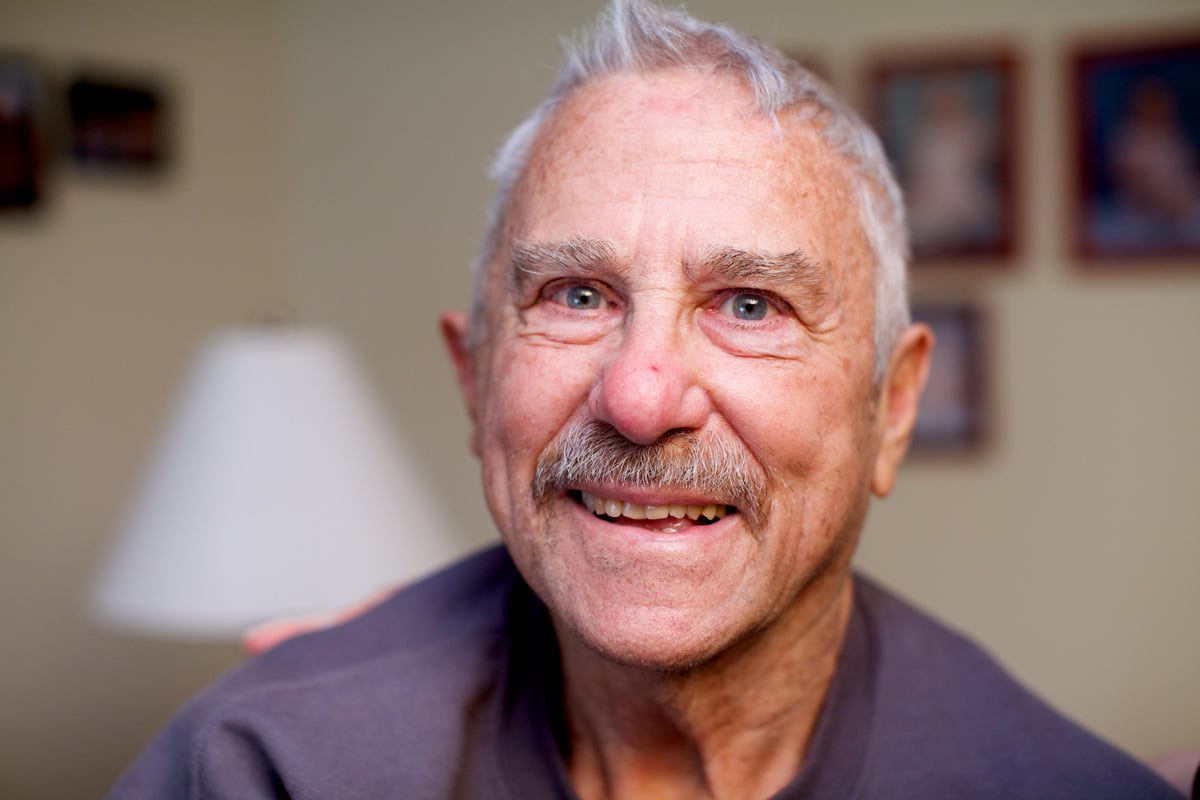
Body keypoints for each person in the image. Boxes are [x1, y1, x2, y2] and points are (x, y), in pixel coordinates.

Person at [110, 2, 1187, 798]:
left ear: (892, 406)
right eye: (575, 295)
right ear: (475, 376)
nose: (637, 394)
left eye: (752, 304)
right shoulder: (271, 764)